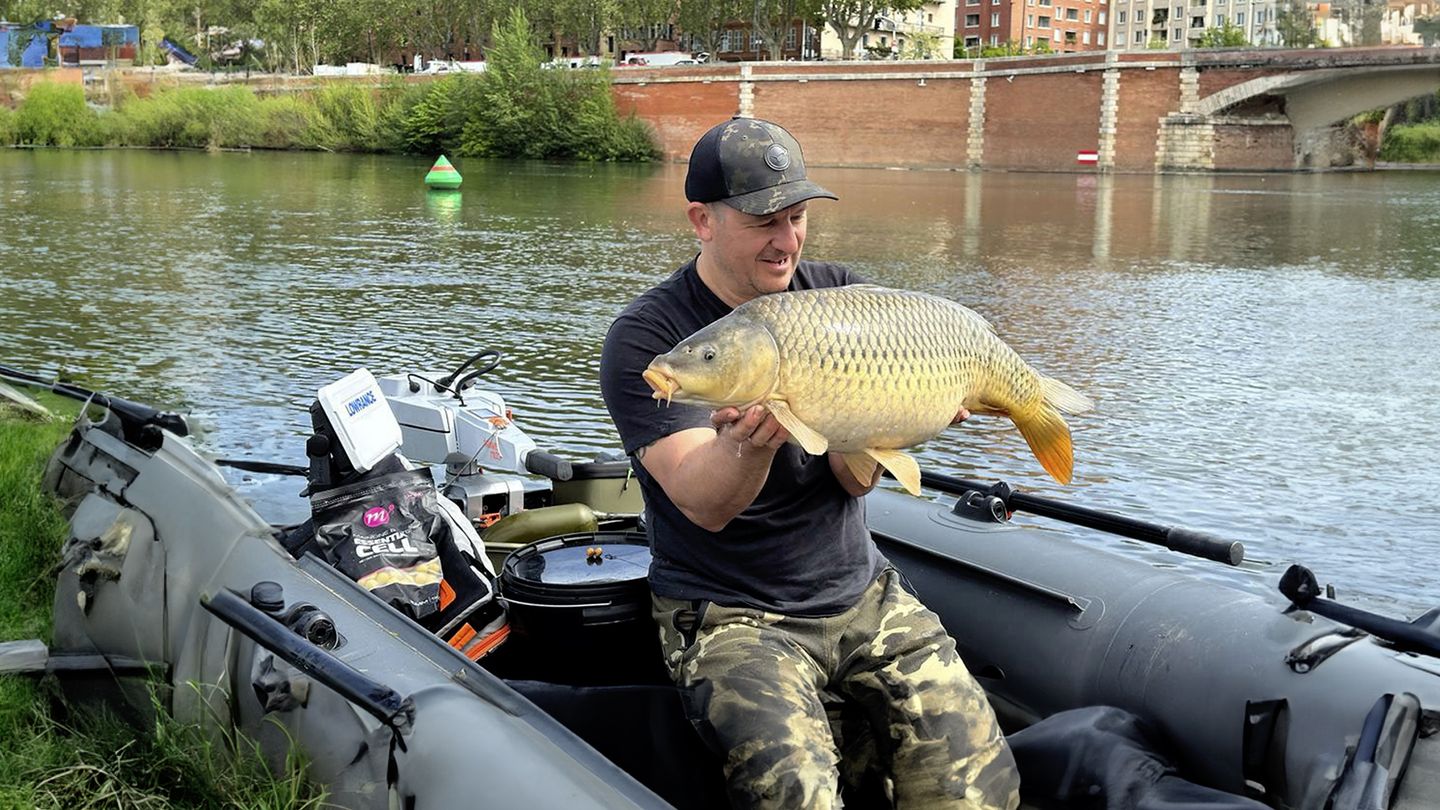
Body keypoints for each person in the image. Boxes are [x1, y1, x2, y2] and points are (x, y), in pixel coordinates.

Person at [599, 117, 1020, 809]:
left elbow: (854, 479)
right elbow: (704, 503)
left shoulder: (837, 297)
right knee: (798, 795)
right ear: (702, 221)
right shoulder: (654, 341)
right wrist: (743, 443)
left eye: (797, 218)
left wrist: (898, 423)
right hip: (732, 611)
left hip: (858, 590)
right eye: (766, 221)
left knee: (980, 782)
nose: (788, 241)